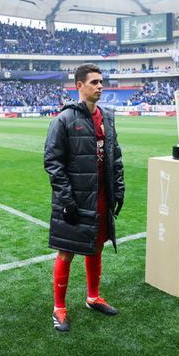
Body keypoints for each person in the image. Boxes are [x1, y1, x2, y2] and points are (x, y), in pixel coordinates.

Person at [43, 63, 125, 332]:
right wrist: (67, 200)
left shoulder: (107, 117)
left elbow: (115, 157)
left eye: (102, 82)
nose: (100, 86)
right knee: (66, 251)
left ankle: (93, 297)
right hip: (74, 200)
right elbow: (53, 162)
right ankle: (59, 308)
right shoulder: (64, 120)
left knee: (97, 245)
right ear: (79, 85)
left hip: (101, 197)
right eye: (94, 82)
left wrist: (119, 189)